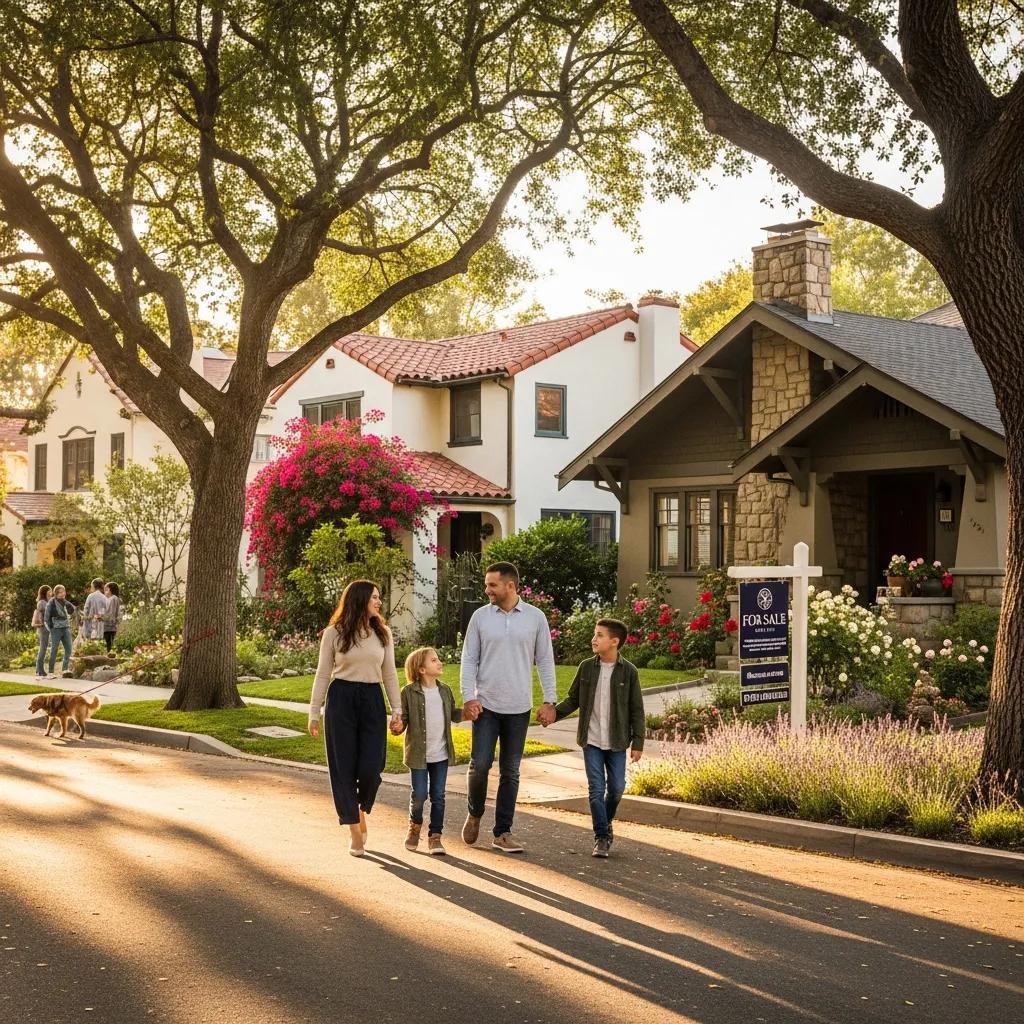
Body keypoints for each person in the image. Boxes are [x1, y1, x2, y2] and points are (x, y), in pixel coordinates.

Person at [460, 561, 556, 853]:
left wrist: (550, 701)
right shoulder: (480, 617)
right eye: (487, 584)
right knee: (480, 766)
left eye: (492, 585)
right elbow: (469, 660)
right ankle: (475, 812)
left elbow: (545, 661)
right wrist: (468, 697)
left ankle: (502, 832)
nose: (487, 589)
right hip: (486, 705)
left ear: (510, 586)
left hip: (518, 708)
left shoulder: (535, 618)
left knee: (510, 771)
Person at [307, 580, 402, 857]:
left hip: (372, 700)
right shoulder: (334, 633)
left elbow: (390, 674)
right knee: (343, 767)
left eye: (379, 597)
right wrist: (314, 711)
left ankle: (360, 810)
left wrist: (397, 709)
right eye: (374, 597)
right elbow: (323, 673)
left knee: (372, 767)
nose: (379, 602)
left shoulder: (382, 633)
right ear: (360, 600)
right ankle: (353, 829)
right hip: (341, 699)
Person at [548, 618, 644, 858]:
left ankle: (606, 820)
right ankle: (601, 837)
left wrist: (638, 742)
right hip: (591, 740)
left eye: (600, 635)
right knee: (595, 789)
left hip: (617, 741)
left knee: (617, 789)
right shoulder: (586, 667)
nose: (594, 639)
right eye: (595, 634)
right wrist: (553, 714)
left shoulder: (629, 671)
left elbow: (637, 710)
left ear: (614, 641)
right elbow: (573, 699)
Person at [393, 647, 463, 856]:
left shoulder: (445, 690)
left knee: (438, 796)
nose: (439, 662)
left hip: (440, 753)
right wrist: (396, 727)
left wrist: (468, 713)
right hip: (418, 755)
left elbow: (454, 714)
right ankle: (415, 827)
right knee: (420, 794)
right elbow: (402, 721)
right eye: (434, 660)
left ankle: (435, 837)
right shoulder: (409, 692)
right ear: (421, 669)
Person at [44, 584, 76, 678]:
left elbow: (72, 610)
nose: (63, 594)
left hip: (65, 627)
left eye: (64, 592)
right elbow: (46, 618)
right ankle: (50, 672)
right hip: (56, 629)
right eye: (61, 592)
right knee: (54, 650)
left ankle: (65, 670)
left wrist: (70, 609)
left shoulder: (65, 602)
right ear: (56, 593)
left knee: (69, 649)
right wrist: (51, 629)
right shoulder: (51, 603)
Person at [31, 584, 51, 680]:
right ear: (45, 592)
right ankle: (39, 670)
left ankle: (39, 670)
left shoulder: (45, 601)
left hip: (45, 628)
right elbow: (48, 612)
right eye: (49, 591)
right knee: (43, 648)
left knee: (43, 647)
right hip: (43, 628)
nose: (51, 592)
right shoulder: (42, 602)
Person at [83, 577, 108, 642]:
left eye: (91, 587)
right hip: (102, 628)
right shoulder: (105, 598)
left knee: (91, 647)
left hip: (91, 628)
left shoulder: (90, 596)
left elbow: (86, 611)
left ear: (94, 586)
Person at [102, 582, 122, 653]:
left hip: (110, 624)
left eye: (106, 590)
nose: (105, 592)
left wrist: (102, 617)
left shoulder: (113, 598)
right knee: (108, 642)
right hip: (107, 624)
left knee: (110, 642)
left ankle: (110, 655)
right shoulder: (109, 599)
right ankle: (109, 654)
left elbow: (111, 612)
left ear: (111, 590)